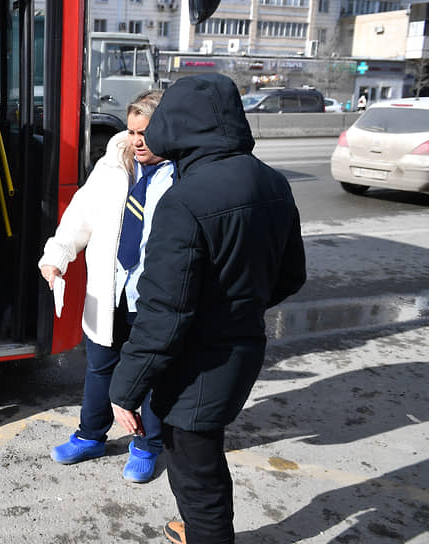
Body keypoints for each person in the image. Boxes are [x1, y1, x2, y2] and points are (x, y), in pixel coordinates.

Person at [108, 74, 306, 543]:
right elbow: (291, 275)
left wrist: (125, 388)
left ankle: (205, 533)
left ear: (177, 126)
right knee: (204, 456)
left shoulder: (185, 200)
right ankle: (199, 527)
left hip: (197, 364)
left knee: (195, 469)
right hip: (243, 348)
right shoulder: (272, 181)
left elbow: (164, 313)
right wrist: (240, 306)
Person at [38, 90, 171, 482]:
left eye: (145, 132)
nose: (137, 141)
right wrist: (57, 255)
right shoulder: (112, 164)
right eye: (132, 131)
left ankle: (147, 445)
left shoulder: (181, 172)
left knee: (150, 374)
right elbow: (81, 212)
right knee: (100, 368)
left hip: (151, 295)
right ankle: (91, 435)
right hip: (109, 288)